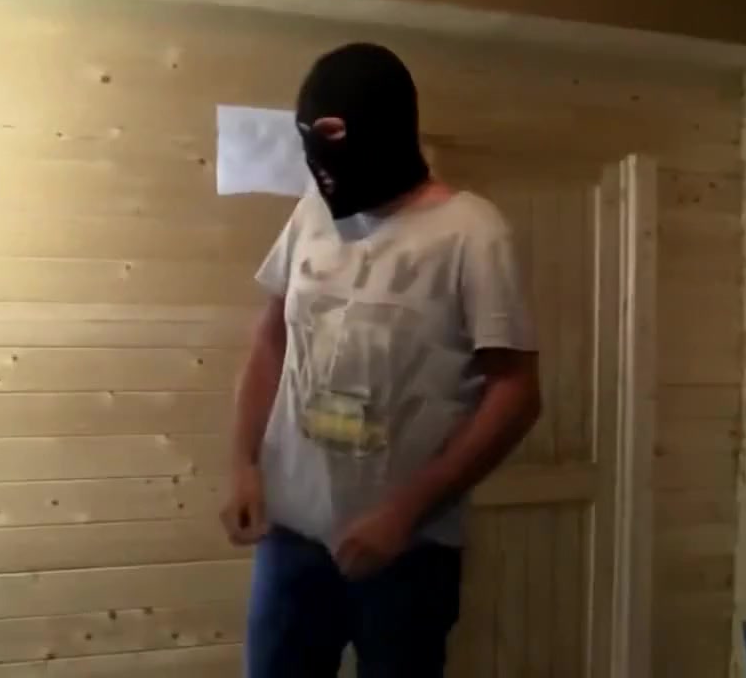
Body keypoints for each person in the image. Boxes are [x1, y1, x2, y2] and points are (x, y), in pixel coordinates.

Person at [220, 42, 542, 678]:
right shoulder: (312, 213)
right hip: (291, 538)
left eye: (335, 139)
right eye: (310, 142)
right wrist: (243, 464)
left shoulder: (471, 232)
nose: (323, 166)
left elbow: (517, 393)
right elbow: (270, 339)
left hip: (407, 551)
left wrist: (405, 511)